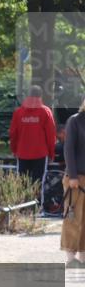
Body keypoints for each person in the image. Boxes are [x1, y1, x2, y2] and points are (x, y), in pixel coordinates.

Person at [9, 85, 57, 187]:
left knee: (22, 185)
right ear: (41, 96)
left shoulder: (18, 112)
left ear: (28, 95)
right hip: (40, 154)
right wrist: (51, 154)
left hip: (22, 153)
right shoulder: (46, 111)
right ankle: (36, 198)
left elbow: (13, 133)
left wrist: (14, 150)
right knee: (37, 185)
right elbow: (51, 135)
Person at [61, 96, 85, 268]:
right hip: (77, 178)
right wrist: (73, 175)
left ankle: (83, 257)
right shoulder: (75, 121)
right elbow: (68, 149)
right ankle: (70, 258)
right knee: (73, 218)